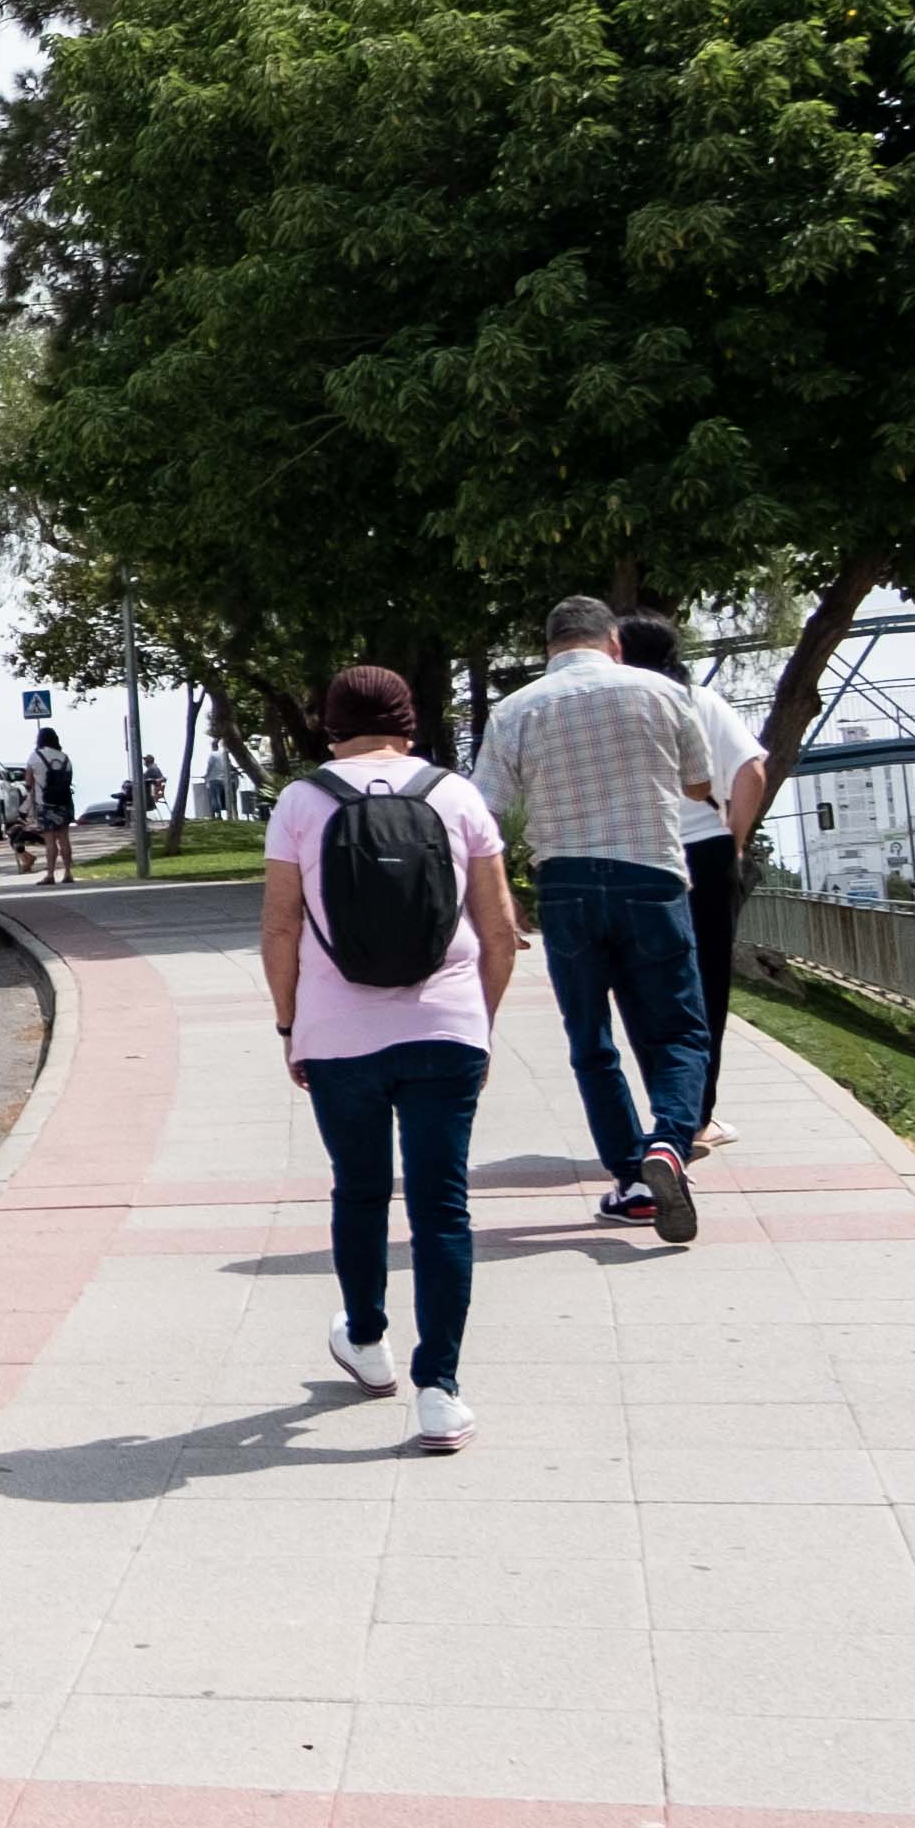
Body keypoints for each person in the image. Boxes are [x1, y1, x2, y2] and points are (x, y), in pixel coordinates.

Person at [265, 664, 519, 1452]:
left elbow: (278, 929)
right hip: (445, 1029)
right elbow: (500, 924)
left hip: (338, 1036)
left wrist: (289, 1026)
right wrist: (476, 1024)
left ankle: (367, 1342)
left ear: (329, 724)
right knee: (442, 1208)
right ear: (408, 720)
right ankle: (439, 1390)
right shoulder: (455, 795)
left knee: (360, 1189)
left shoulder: (302, 802)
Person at [470, 596, 719, 1241]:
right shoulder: (660, 693)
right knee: (678, 1034)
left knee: (590, 1040)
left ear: (548, 645)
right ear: (613, 640)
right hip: (652, 876)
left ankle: (632, 1180)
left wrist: (500, 895)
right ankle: (668, 1142)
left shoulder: (516, 709)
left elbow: (485, 814)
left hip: (567, 885)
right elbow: (698, 783)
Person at [618, 613, 772, 1157]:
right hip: (704, 854)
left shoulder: (617, 710)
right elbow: (752, 770)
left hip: (635, 856)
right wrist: (732, 842)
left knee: (642, 983)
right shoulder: (699, 702)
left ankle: (664, 1102)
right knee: (706, 984)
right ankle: (696, 1115)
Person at [26, 726, 79, 884]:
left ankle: (50, 875)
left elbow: (28, 781)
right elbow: (69, 780)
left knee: (50, 841)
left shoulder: (35, 757)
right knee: (64, 838)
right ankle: (68, 873)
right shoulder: (65, 758)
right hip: (64, 802)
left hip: (45, 803)